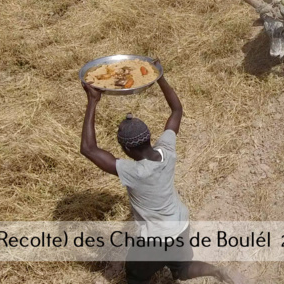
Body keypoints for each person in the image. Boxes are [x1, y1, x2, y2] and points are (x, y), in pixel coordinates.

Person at [79, 77, 245, 284]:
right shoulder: (166, 150)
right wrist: (160, 78)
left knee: (134, 277)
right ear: (149, 138)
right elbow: (176, 110)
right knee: (182, 269)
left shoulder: (135, 172)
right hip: (180, 224)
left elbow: (88, 148)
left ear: (127, 149)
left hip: (154, 241)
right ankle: (217, 271)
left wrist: (92, 101)